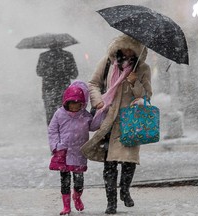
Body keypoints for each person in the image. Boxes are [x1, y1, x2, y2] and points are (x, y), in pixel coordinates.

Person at [81, 34, 152, 214]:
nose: (126, 52)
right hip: (109, 120)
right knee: (109, 163)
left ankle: (125, 190)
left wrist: (135, 82)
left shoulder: (143, 68)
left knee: (129, 161)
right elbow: (93, 84)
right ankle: (111, 202)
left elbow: (146, 96)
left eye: (131, 49)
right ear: (118, 48)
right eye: (123, 48)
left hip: (130, 120)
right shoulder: (107, 63)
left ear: (137, 50)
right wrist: (98, 101)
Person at [48, 80, 101, 215]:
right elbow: (52, 130)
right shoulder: (59, 114)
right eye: (71, 103)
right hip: (63, 152)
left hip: (79, 152)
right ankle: (66, 206)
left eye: (77, 104)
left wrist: (101, 113)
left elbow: (94, 126)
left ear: (82, 104)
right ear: (66, 102)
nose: (74, 106)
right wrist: (55, 146)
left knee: (79, 180)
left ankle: (77, 197)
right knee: (65, 180)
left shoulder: (85, 116)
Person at [36, 46, 78, 125]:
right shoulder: (67, 55)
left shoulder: (43, 56)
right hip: (64, 91)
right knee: (65, 116)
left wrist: (50, 72)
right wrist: (64, 71)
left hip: (48, 91)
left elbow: (39, 72)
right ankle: (65, 134)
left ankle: (53, 135)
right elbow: (74, 74)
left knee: (51, 117)